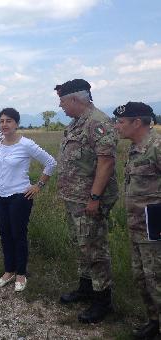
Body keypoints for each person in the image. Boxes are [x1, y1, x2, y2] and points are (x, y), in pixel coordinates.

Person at [55, 79, 118, 324]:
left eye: (62, 102)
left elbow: (106, 162)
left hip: (89, 200)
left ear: (75, 99)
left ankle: (103, 301)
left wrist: (94, 198)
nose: (60, 106)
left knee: (95, 249)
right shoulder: (76, 124)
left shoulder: (97, 123)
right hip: (74, 198)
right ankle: (86, 288)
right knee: (82, 247)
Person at [0, 108, 56, 292]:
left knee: (18, 235)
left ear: (16, 124)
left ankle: (21, 274)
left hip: (20, 196)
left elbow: (51, 162)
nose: (4, 124)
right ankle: (8, 271)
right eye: (1, 121)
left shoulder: (26, 144)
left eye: (9, 121)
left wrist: (38, 186)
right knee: (4, 234)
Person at [113, 102, 161, 339]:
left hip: (155, 229)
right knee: (142, 278)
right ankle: (154, 321)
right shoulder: (135, 148)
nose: (116, 126)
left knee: (158, 280)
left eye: (121, 122)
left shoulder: (157, 147)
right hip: (137, 227)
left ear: (137, 122)